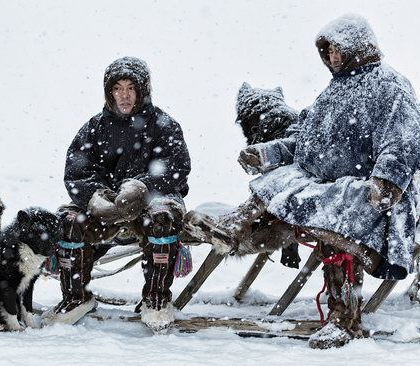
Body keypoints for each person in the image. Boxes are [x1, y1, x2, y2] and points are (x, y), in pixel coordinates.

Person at [184, 14, 420, 349]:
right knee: (280, 179)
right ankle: (235, 228)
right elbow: (305, 143)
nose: (333, 58)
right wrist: (267, 155)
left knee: (336, 210)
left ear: (356, 46)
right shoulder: (333, 92)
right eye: (328, 52)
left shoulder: (390, 87)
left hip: (370, 190)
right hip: (322, 183)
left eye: (338, 50)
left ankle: (345, 319)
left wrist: (387, 184)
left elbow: (403, 143)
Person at [41, 56, 191, 332]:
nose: (124, 95)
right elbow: (77, 171)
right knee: (71, 222)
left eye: (131, 88)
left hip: (150, 201)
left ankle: (156, 299)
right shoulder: (95, 127)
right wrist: (97, 197)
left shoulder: (163, 125)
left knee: (162, 221)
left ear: (142, 91)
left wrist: (140, 188)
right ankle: (76, 298)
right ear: (109, 92)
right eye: (117, 88)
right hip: (106, 205)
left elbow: (176, 170)